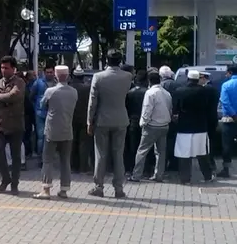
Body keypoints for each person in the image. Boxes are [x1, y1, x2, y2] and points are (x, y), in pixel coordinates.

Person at [86, 49, 132, 198]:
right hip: (121, 119)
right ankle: (119, 188)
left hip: (102, 120)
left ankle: (98, 187)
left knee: (101, 154)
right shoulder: (127, 76)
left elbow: (93, 101)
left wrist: (89, 121)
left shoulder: (98, 77)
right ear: (120, 61)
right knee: (118, 154)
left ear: (106, 60)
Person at [34, 65, 78, 200]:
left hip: (51, 130)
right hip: (67, 129)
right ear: (68, 76)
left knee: (47, 160)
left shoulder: (50, 91)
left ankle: (46, 189)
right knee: (65, 161)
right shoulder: (74, 92)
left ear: (56, 76)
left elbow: (42, 105)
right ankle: (64, 190)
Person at [0, 56, 26, 195]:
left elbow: (15, 96)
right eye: (2, 67)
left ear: (13, 68)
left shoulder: (19, 82)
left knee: (16, 157)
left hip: (15, 125)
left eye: (7, 68)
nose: (4, 70)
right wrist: (3, 99)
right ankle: (6, 178)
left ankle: (14, 183)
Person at [130, 71, 172, 182]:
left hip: (151, 126)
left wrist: (142, 123)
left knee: (142, 151)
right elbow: (170, 108)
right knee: (161, 152)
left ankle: (136, 175)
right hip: (164, 126)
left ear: (149, 81)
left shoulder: (150, 93)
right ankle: (159, 175)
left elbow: (147, 110)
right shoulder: (167, 93)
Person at [173, 70, 214, 184]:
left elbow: (175, 109)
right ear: (198, 79)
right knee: (202, 153)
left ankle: (185, 179)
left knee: (184, 154)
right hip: (200, 126)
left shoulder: (180, 91)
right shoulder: (205, 92)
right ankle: (207, 176)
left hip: (184, 127)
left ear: (188, 78)